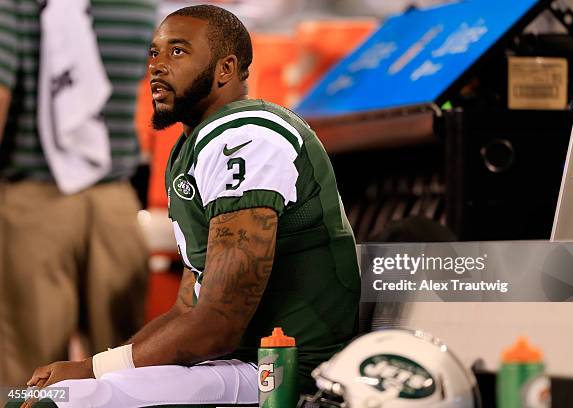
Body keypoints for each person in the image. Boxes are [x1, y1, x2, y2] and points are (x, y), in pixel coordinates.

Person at [23, 4, 361, 407]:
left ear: (225, 68)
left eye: (177, 52)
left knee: (62, 400)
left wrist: (93, 369)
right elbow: (189, 307)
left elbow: (217, 324)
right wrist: (103, 364)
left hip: (285, 369)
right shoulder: (196, 145)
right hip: (237, 361)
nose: (157, 66)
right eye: (154, 53)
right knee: (32, 394)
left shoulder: (248, 138)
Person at [0, 0, 156, 389]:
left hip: (35, 203)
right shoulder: (140, 8)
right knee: (124, 365)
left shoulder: (15, 7)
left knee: (29, 372)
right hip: (117, 200)